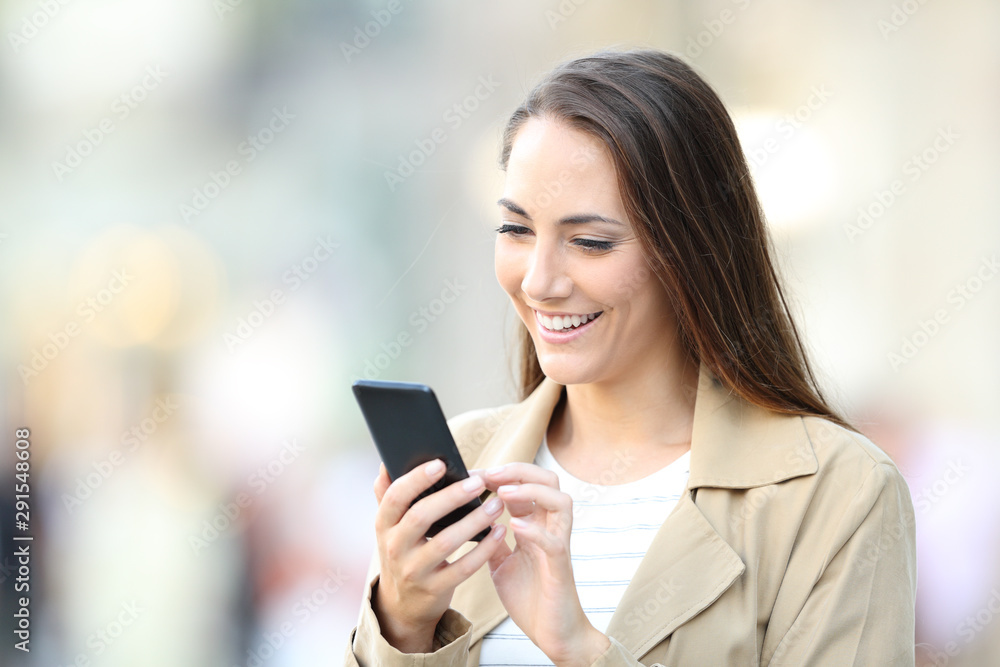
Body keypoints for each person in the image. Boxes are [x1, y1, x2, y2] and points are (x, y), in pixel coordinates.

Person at [343, 48, 917, 666]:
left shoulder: (835, 495)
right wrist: (401, 625)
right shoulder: (462, 467)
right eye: (515, 229)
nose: (539, 281)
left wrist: (583, 650)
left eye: (589, 242)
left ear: (691, 250)